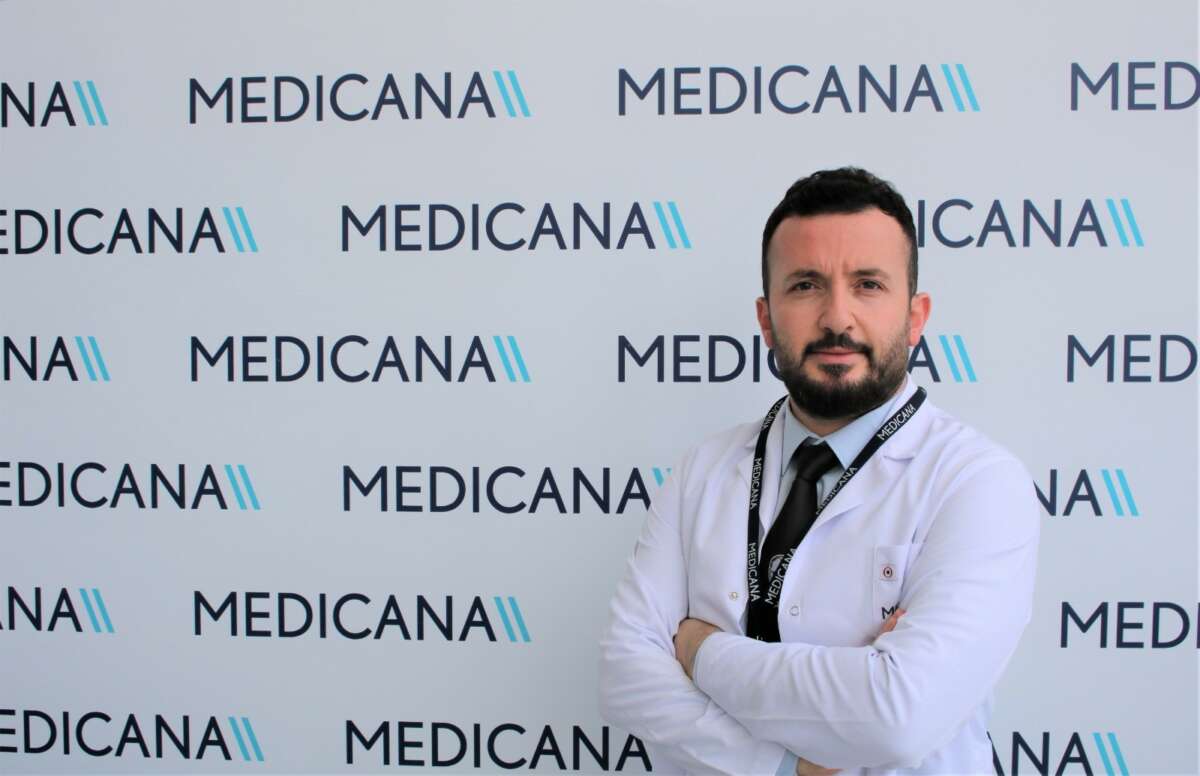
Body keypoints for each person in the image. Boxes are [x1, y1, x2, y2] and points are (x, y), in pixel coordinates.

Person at [598, 167, 1039, 775]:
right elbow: (626, 676)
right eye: (806, 285)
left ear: (915, 317)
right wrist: (784, 767)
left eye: (868, 285)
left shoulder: (978, 482)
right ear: (765, 318)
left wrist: (699, 650)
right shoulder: (704, 469)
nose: (837, 318)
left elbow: (897, 716)